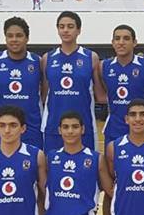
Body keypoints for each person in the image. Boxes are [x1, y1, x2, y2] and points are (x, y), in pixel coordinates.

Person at [100, 23, 144, 215]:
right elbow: (101, 95)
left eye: (126, 38)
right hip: (114, 131)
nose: (121, 42)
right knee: (112, 186)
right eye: (117, 38)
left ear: (135, 42)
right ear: (112, 42)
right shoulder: (104, 66)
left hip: (143, 133)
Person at [42, 11, 106, 154]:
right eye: (62, 26)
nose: (65, 30)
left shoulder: (91, 57)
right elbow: (45, 95)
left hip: (84, 126)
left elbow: (100, 95)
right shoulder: (47, 58)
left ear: (79, 30)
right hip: (53, 126)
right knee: (52, 166)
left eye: (70, 26)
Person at [0, 17, 43, 149]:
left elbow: (45, 94)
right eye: (10, 36)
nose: (14, 39)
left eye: (19, 35)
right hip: (3, 128)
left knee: (33, 161)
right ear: (5, 38)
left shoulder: (38, 62)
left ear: (27, 38)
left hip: (32, 127)